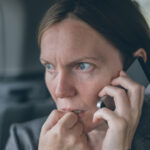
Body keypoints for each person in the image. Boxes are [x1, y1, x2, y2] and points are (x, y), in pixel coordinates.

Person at [5, 0, 150, 150]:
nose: (60, 91)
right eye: (49, 67)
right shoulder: (23, 141)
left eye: (83, 66)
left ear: (132, 65)